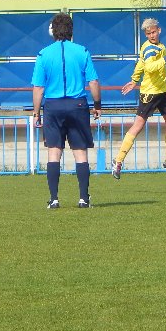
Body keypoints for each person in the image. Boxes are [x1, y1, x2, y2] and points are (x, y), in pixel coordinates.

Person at [31, 13, 101, 209]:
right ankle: (83, 198)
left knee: (54, 152)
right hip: (77, 105)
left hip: (53, 106)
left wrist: (36, 113)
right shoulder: (82, 51)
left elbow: (38, 88)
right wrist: (97, 105)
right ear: (71, 30)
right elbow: (93, 82)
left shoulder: (43, 54)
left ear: (53, 31)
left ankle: (54, 199)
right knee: (80, 153)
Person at [111, 17, 166, 178]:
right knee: (138, 125)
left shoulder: (161, 46)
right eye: (148, 33)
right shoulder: (149, 48)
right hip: (150, 92)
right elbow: (150, 67)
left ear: (159, 30)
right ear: (146, 35)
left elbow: (140, 64)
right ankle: (118, 160)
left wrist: (134, 80)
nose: (151, 35)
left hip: (163, 90)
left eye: (153, 32)